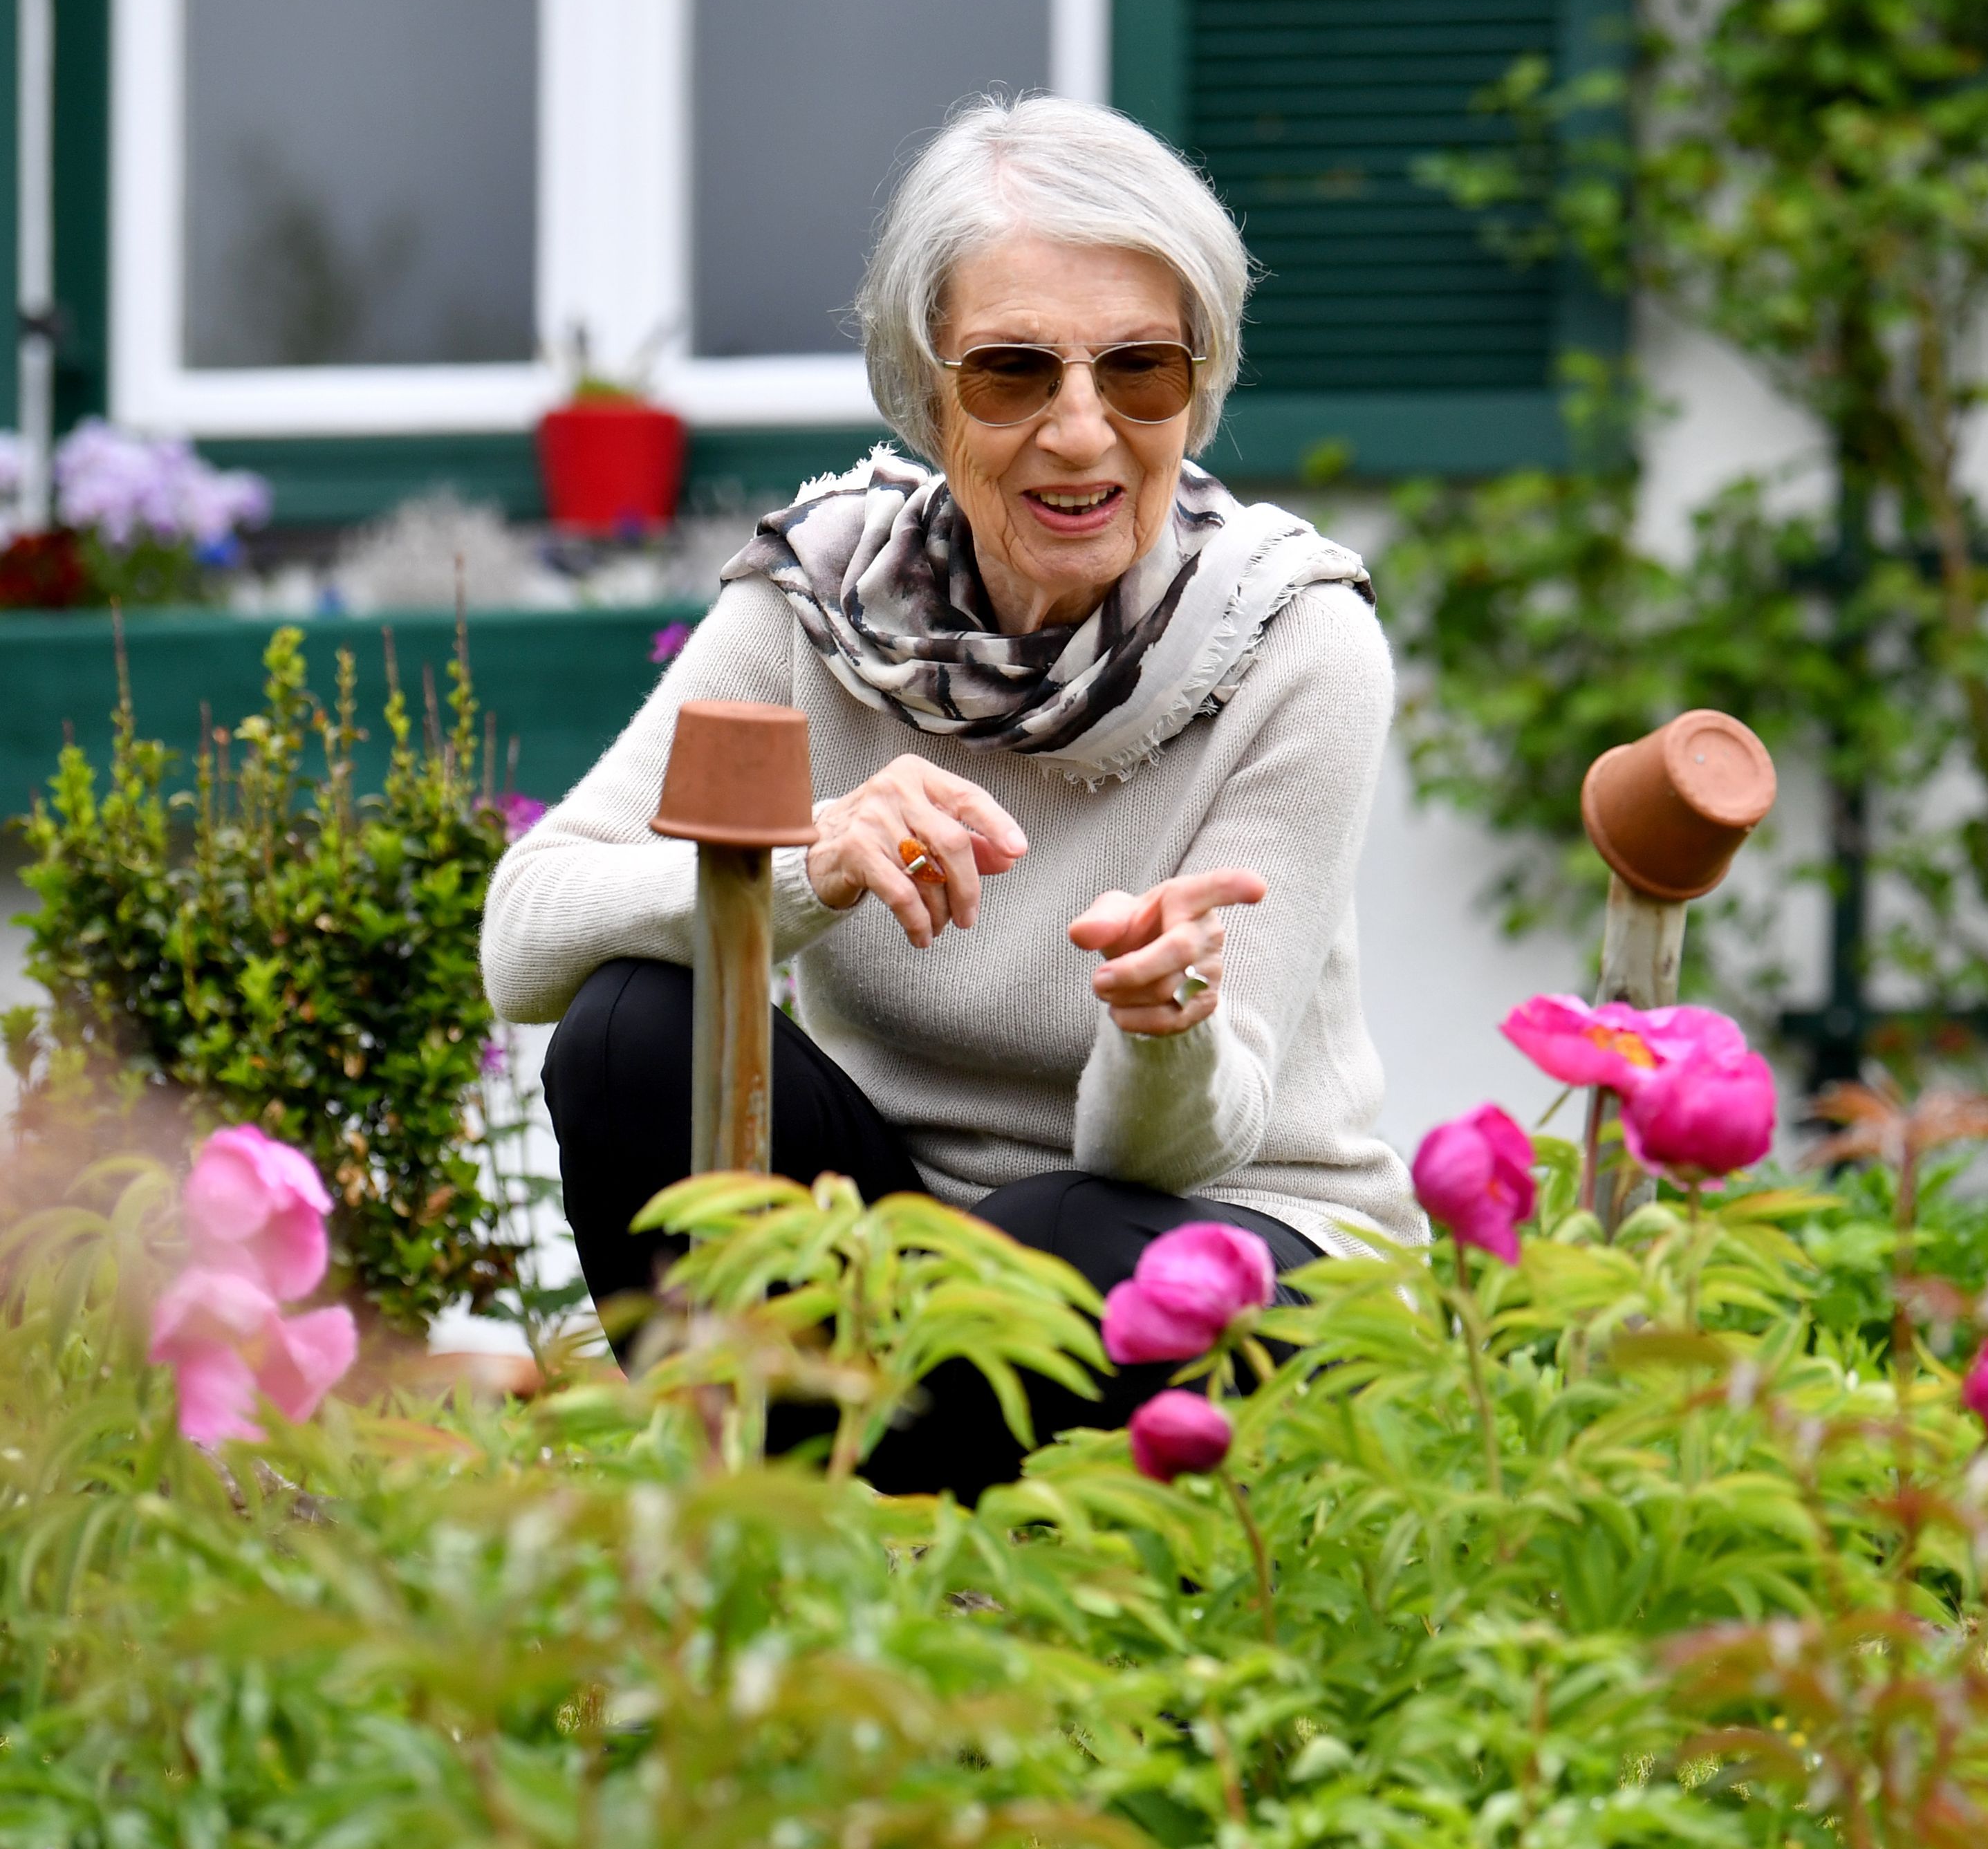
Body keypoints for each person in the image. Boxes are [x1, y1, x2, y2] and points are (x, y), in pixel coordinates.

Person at [480, 95, 1421, 1498]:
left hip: (1218, 1236)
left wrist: (1162, 1023)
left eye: (1140, 369)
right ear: (925, 391)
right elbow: (526, 934)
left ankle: (848, 1533)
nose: (1082, 432)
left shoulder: (1291, 640)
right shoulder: (821, 601)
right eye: (1012, 372)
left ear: (1198, 384)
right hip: (905, 1241)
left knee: (1055, 1247)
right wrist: (798, 868)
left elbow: (1177, 1148)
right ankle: (781, 1519)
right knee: (631, 1028)